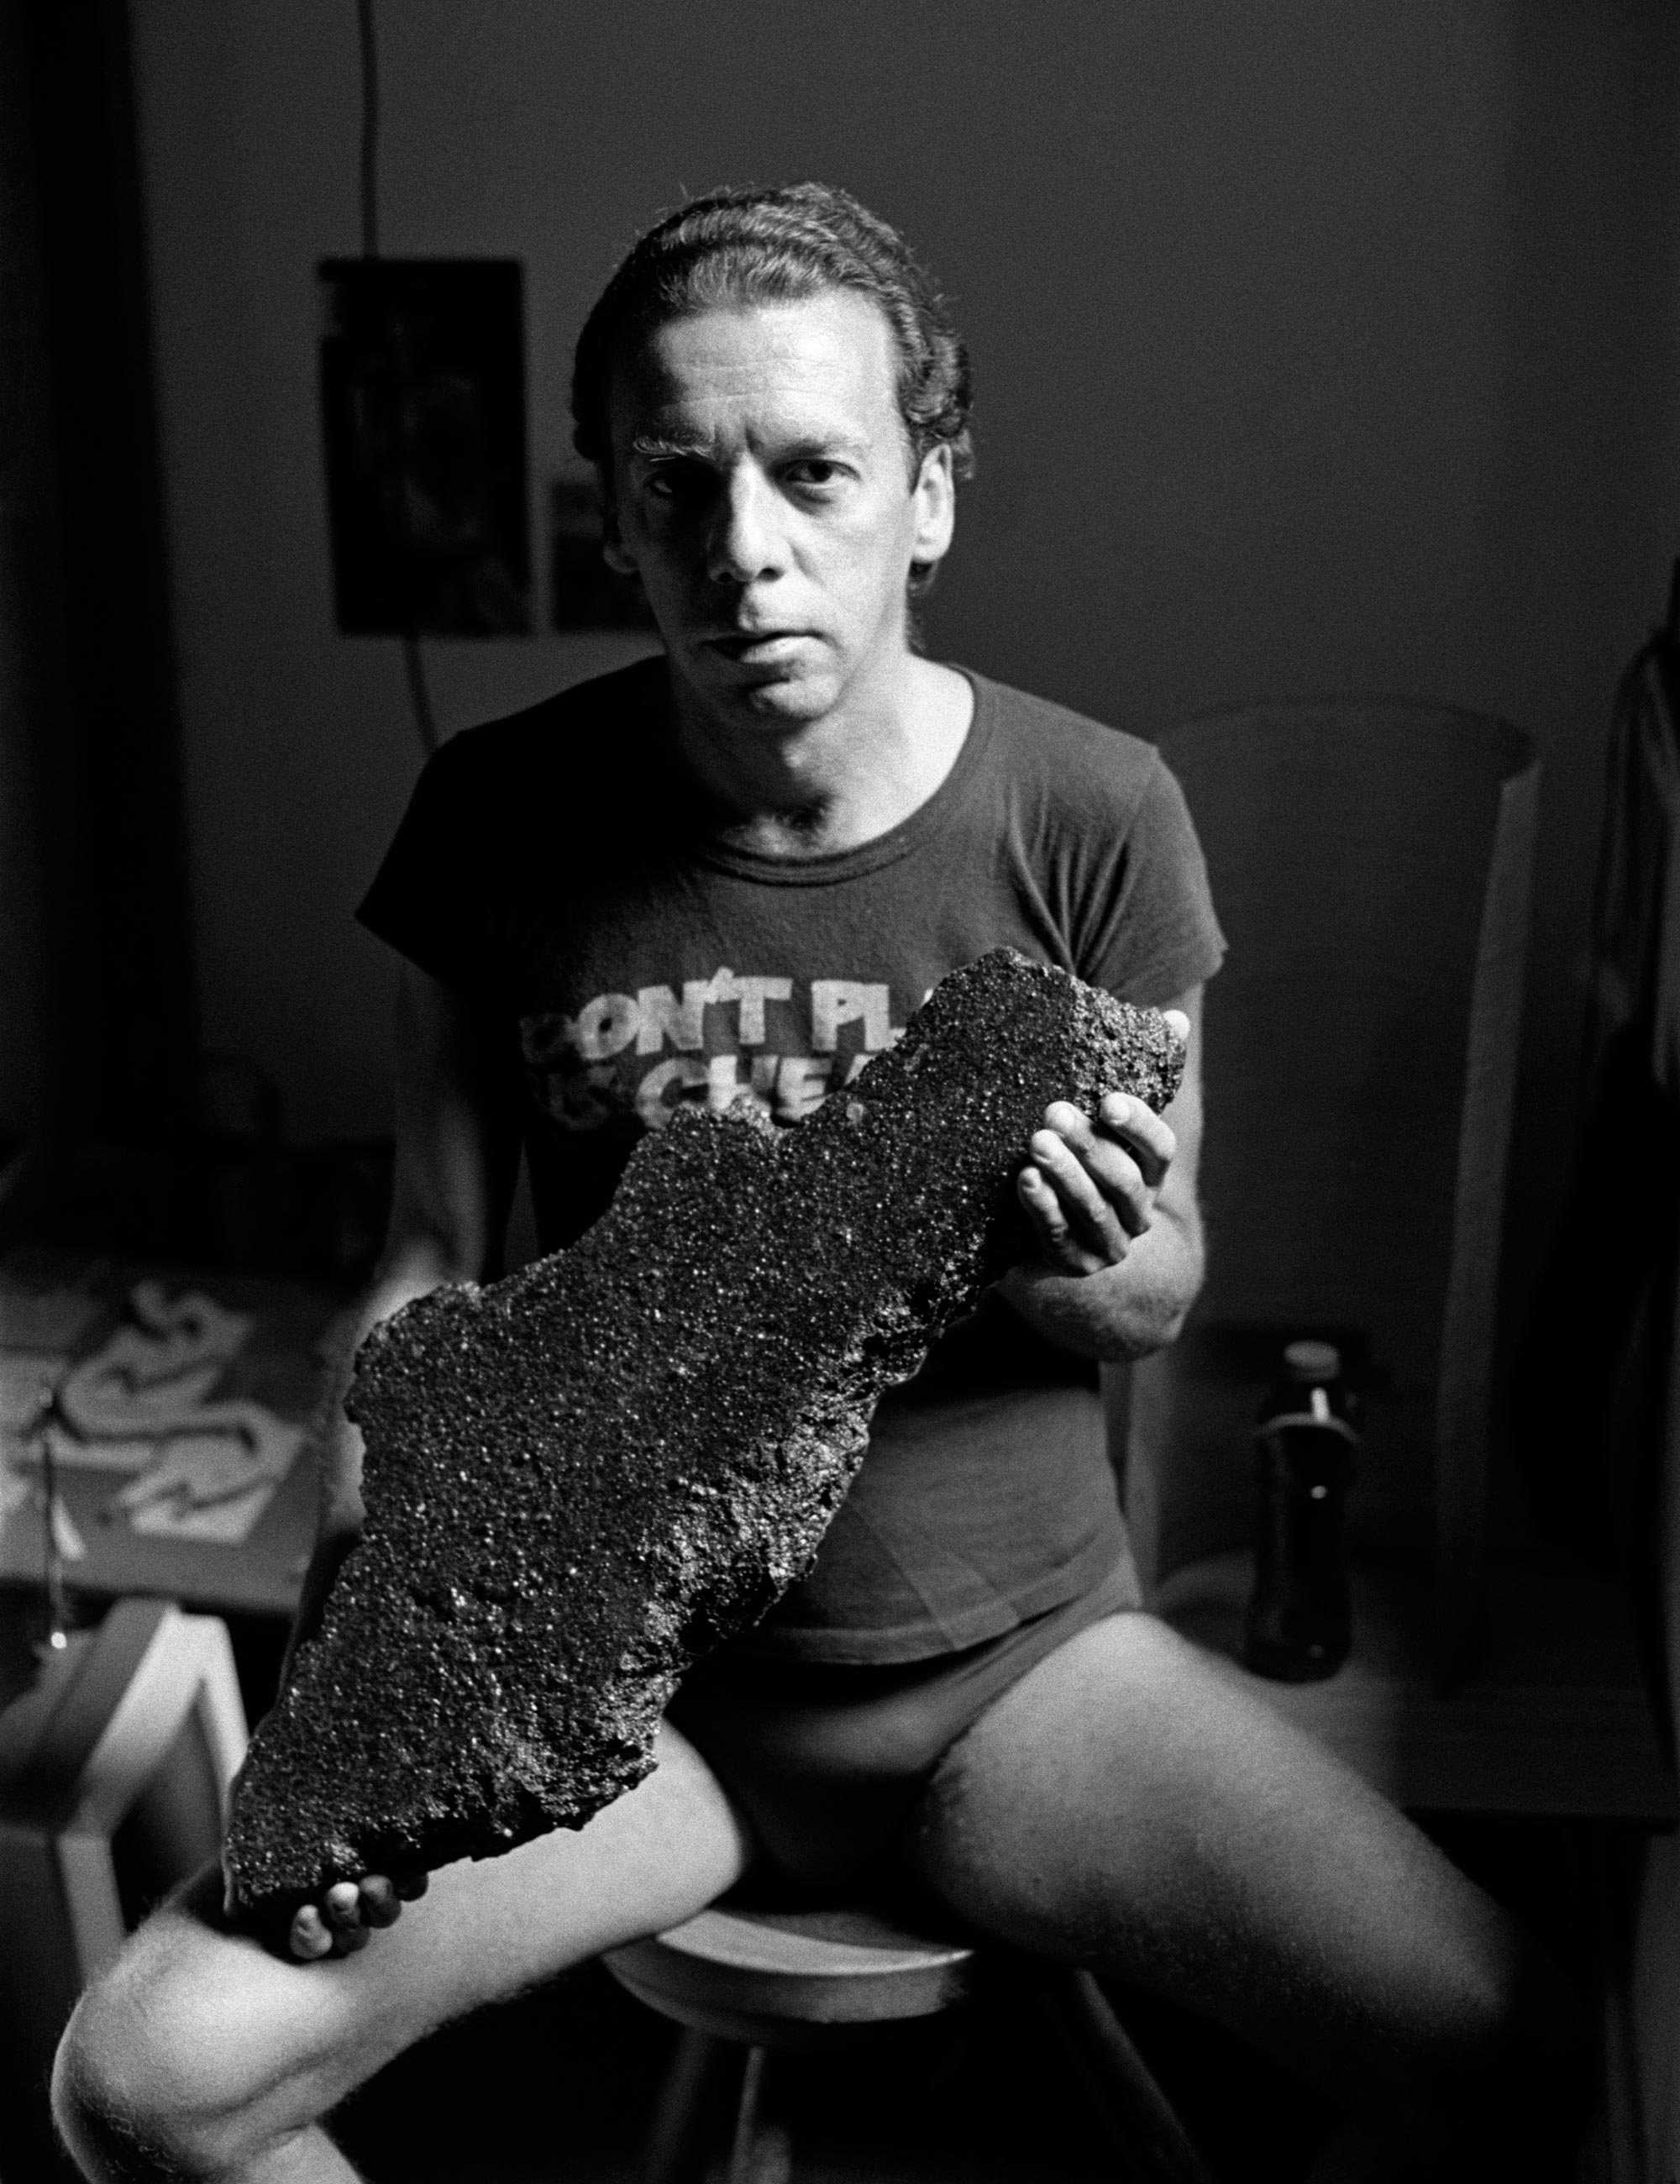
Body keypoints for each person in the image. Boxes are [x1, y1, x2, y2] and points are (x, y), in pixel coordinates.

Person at [55, 182, 1588, 2184]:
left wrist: (1072, 1243)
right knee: (140, 2077)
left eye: (812, 471)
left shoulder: (1092, 814)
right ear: (617, 515)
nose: (744, 550)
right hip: (622, 1698)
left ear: (924, 499)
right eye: (675, 484)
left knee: (1518, 2055)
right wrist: (346, 1695)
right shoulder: (500, 814)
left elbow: (1157, 1294)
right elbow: (424, 1265)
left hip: (1020, 1681)